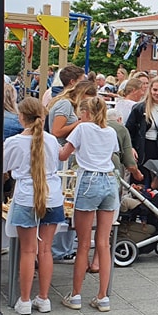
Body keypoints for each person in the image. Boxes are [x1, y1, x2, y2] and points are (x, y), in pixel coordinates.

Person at [4, 97, 65, 315]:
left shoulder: (13, 142)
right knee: (46, 250)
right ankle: (44, 298)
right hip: (53, 196)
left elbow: (1, 167)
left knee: (27, 251)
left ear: (21, 117)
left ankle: (25, 299)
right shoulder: (51, 141)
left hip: (26, 197)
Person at [58, 97, 119, 313]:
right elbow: (110, 155)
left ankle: (75, 295)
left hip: (88, 181)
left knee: (83, 243)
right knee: (103, 242)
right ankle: (103, 296)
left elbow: (63, 154)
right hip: (109, 180)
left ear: (85, 112)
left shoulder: (82, 128)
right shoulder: (110, 131)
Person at [47, 65, 93, 265]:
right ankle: (59, 249)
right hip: (60, 157)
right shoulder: (65, 105)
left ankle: (62, 247)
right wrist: (81, 123)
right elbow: (57, 131)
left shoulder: (63, 102)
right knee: (64, 199)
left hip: (62, 155)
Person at [125, 76, 158, 189]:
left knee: (157, 184)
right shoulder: (139, 108)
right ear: (150, 90)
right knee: (140, 182)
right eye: (155, 90)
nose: (157, 93)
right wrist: (131, 148)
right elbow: (128, 130)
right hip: (141, 148)